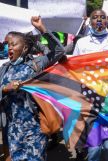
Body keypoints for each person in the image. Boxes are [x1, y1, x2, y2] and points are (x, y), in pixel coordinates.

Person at [0, 16, 65, 160]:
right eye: (7, 44)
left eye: (12, 44)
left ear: (24, 48)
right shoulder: (4, 69)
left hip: (34, 127)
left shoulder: (36, 64)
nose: (9, 47)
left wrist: (42, 29)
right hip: (12, 129)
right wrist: (4, 89)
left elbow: (59, 51)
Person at [73, 9, 108, 161]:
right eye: (95, 17)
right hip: (90, 101)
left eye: (103, 17)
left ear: (107, 21)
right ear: (90, 21)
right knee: (94, 148)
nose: (99, 20)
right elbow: (74, 67)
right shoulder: (82, 43)